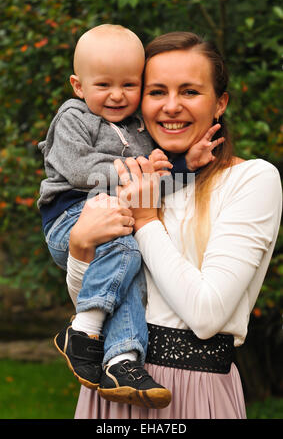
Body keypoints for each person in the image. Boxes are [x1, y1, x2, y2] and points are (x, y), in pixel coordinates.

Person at [68, 31, 282, 419]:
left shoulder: (252, 180)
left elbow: (206, 315)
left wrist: (147, 220)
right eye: (157, 92)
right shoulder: (130, 178)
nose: (171, 107)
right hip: (112, 387)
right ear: (138, 100)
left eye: (189, 92)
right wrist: (80, 249)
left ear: (220, 103)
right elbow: (95, 304)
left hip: (195, 392)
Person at [37, 25, 221, 409]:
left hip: (113, 220)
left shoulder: (139, 127)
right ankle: (83, 330)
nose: (118, 95)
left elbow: (154, 189)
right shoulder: (73, 117)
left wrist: (186, 165)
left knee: (128, 269)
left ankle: (122, 359)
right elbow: (75, 168)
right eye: (104, 84)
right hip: (70, 213)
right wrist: (136, 165)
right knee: (126, 249)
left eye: (129, 85)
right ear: (78, 85)